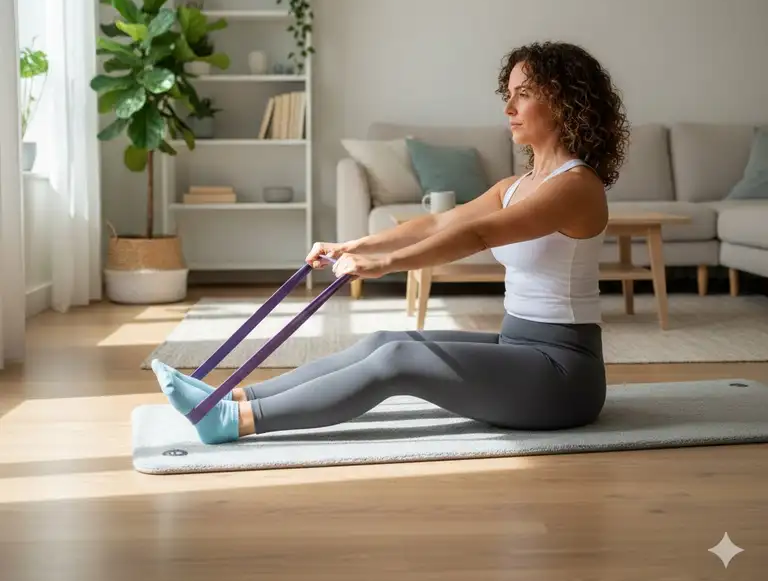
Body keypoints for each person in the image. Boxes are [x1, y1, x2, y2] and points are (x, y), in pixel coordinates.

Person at [152, 40, 630, 445]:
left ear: (565, 102)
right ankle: (235, 397)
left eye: (523, 95)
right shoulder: (516, 184)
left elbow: (478, 234)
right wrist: (356, 246)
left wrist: (389, 263)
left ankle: (235, 423)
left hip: (563, 376)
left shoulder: (576, 186)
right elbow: (439, 223)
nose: (508, 108)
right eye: (509, 94)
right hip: (519, 346)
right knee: (386, 340)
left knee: (399, 362)